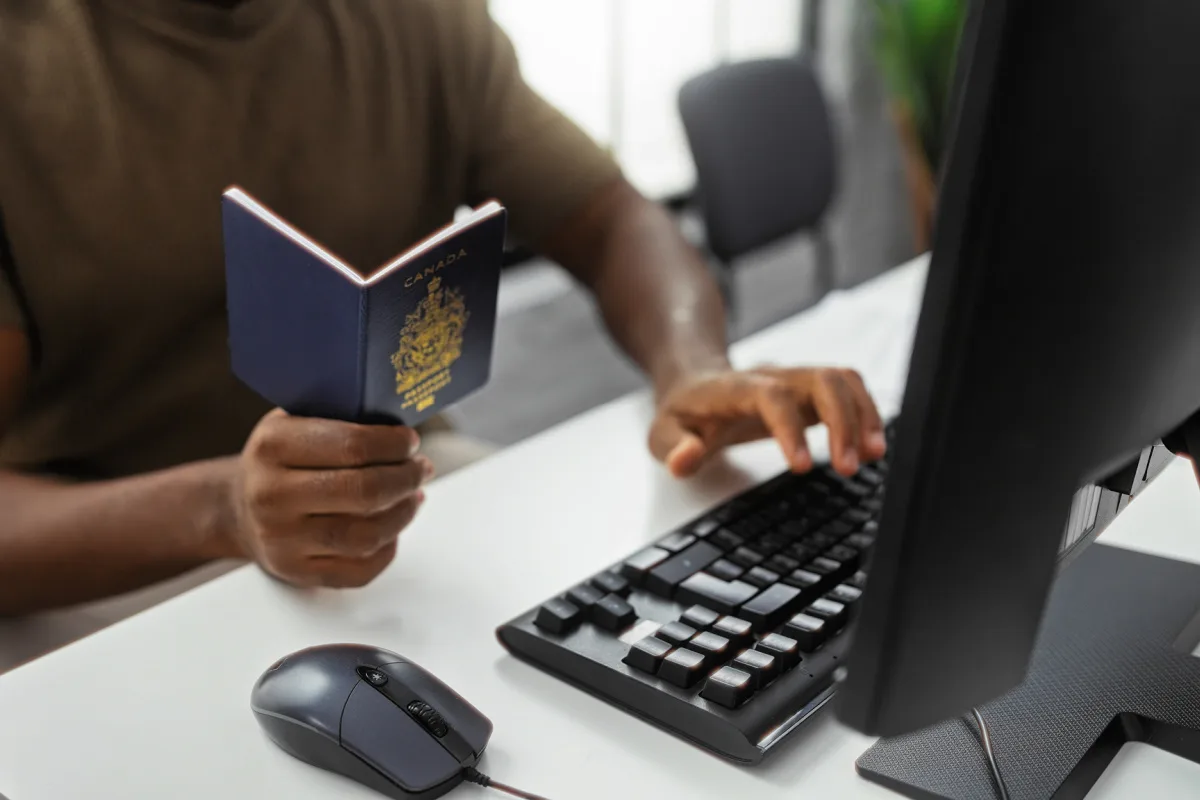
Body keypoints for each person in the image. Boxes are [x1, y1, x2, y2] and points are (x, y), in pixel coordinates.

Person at [0, 0, 886, 666]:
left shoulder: (411, 16)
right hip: (107, 566)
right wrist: (224, 508)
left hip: (395, 499)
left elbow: (613, 219)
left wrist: (690, 367)